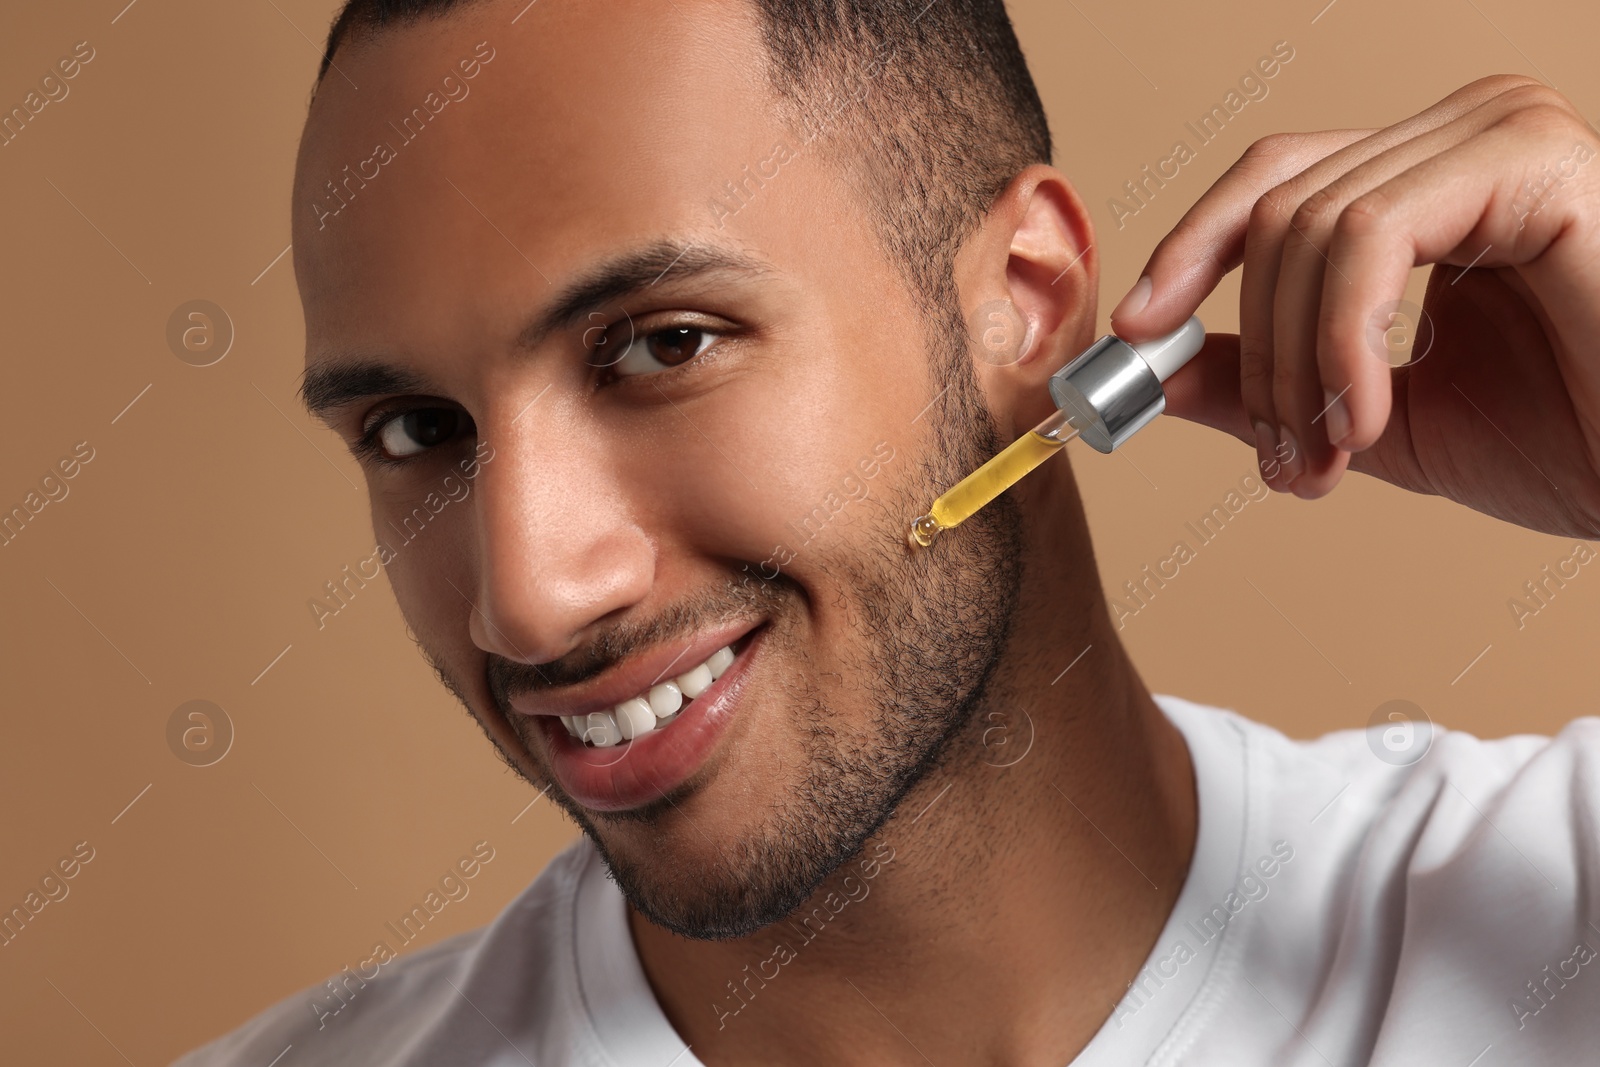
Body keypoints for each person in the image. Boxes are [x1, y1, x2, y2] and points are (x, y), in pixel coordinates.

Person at [177, 0, 1600, 1063]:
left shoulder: (1558, 904)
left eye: (663, 345)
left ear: (1027, 302)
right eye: (416, 432)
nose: (530, 599)